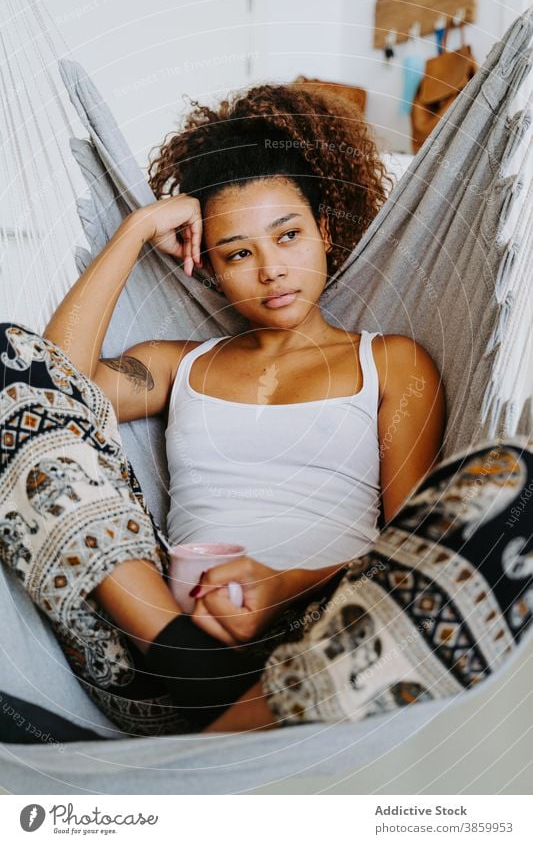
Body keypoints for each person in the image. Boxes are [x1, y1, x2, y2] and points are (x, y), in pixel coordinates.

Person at [0, 83, 530, 738]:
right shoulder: (178, 364)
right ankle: (196, 677)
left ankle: (225, 723)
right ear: (208, 267)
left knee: (516, 488)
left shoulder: (390, 362)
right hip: (149, 658)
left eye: (288, 236)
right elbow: (50, 384)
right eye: (237, 253)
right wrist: (135, 230)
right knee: (8, 363)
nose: (271, 269)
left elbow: (408, 544)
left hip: (324, 643)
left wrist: (279, 586)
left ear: (325, 232)